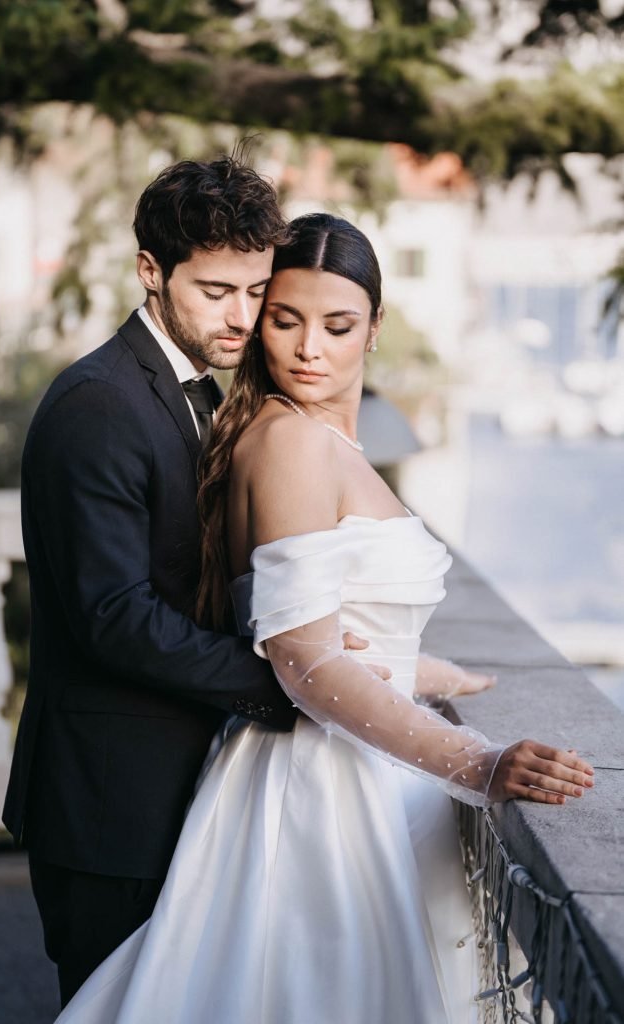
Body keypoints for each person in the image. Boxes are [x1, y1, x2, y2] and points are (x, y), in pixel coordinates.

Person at [52, 213, 594, 1024]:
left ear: (374, 328)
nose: (309, 348)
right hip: (318, 792)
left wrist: (425, 672)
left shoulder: (300, 437)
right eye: (285, 320)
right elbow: (305, 664)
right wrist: (475, 762)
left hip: (348, 767)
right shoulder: (292, 445)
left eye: (337, 326)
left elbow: (334, 631)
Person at [1, 155, 300, 1008]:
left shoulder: (202, 390)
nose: (242, 316)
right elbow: (115, 618)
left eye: (255, 290)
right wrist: (289, 683)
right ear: (151, 272)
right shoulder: (97, 405)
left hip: (177, 790)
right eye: (215, 292)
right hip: (108, 805)